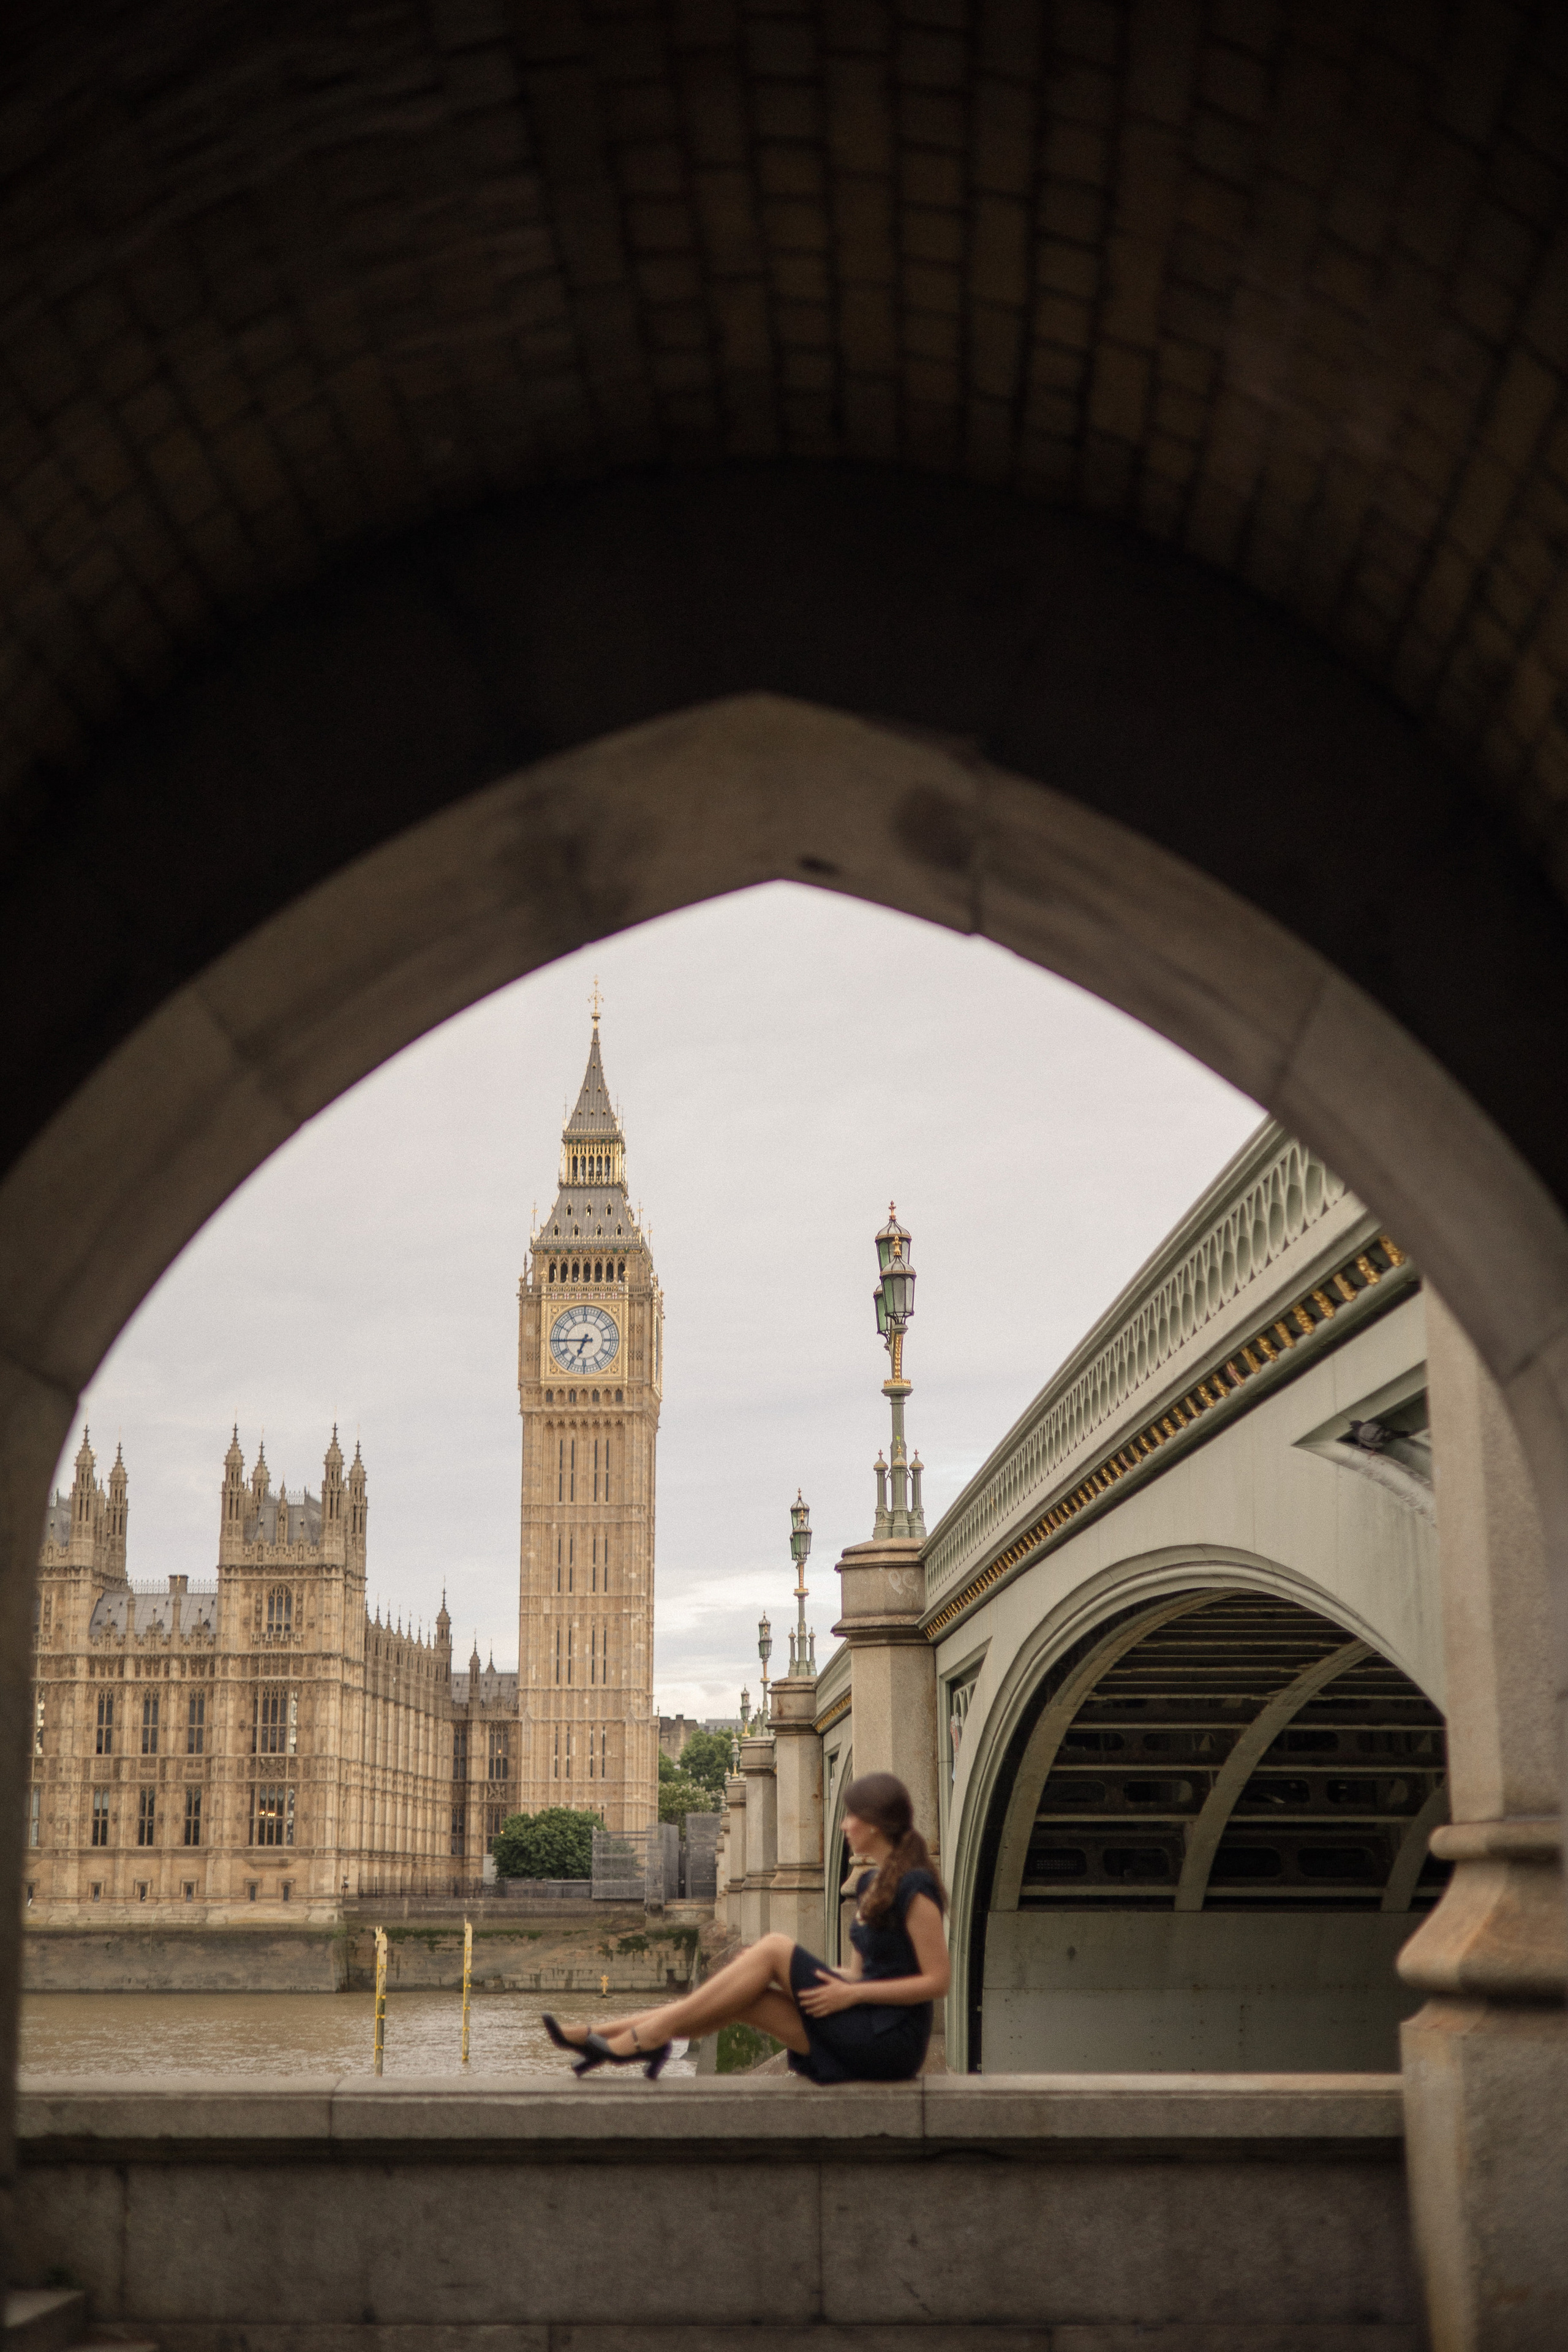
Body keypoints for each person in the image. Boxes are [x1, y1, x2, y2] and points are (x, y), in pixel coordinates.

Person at [543, 1771, 949, 2082]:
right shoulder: (868, 1885)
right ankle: (607, 2034)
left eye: (851, 1817)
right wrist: (846, 1985)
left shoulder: (916, 1885)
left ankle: (642, 2040)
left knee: (773, 1947)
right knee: (746, 1998)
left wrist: (851, 1993)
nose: (843, 1826)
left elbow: (937, 1981)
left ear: (875, 1823)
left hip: (891, 2042)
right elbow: (859, 1973)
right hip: (861, 2025)